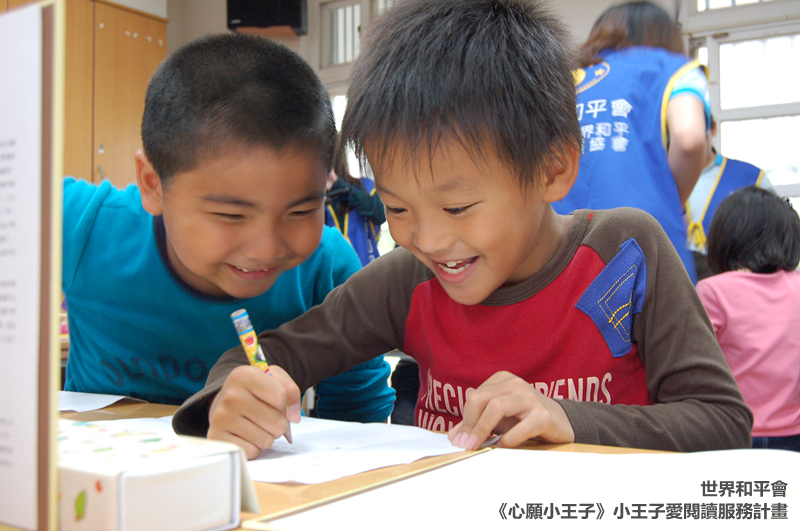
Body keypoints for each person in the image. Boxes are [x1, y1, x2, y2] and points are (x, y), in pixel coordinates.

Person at [173, 0, 752, 459]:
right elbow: (267, 354)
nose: (426, 240)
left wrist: (568, 418)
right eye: (397, 208)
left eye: (457, 208)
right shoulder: (408, 279)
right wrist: (234, 394)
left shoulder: (624, 253)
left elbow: (722, 419)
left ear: (553, 168)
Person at [62, 33, 395, 423]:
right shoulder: (85, 225)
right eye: (231, 216)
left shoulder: (328, 269)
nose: (266, 249)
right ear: (153, 185)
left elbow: (358, 421)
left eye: (301, 211)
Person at [553, 1, 710, 284]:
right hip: (645, 241)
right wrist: (671, 197)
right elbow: (689, 138)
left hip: (561, 246)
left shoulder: (564, 79)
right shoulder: (676, 69)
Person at [696, 187, 800, 452]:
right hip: (794, 436)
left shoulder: (714, 290)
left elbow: (694, 365)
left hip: (733, 433)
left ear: (724, 238)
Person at [686, 117, 772, 280]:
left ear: (713, 129)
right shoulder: (660, 180)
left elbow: (777, 235)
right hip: (679, 281)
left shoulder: (751, 177)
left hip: (737, 280)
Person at [325, 138, 385, 266]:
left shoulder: (366, 186)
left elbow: (380, 214)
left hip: (367, 269)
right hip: (334, 275)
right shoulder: (313, 199)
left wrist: (337, 184)